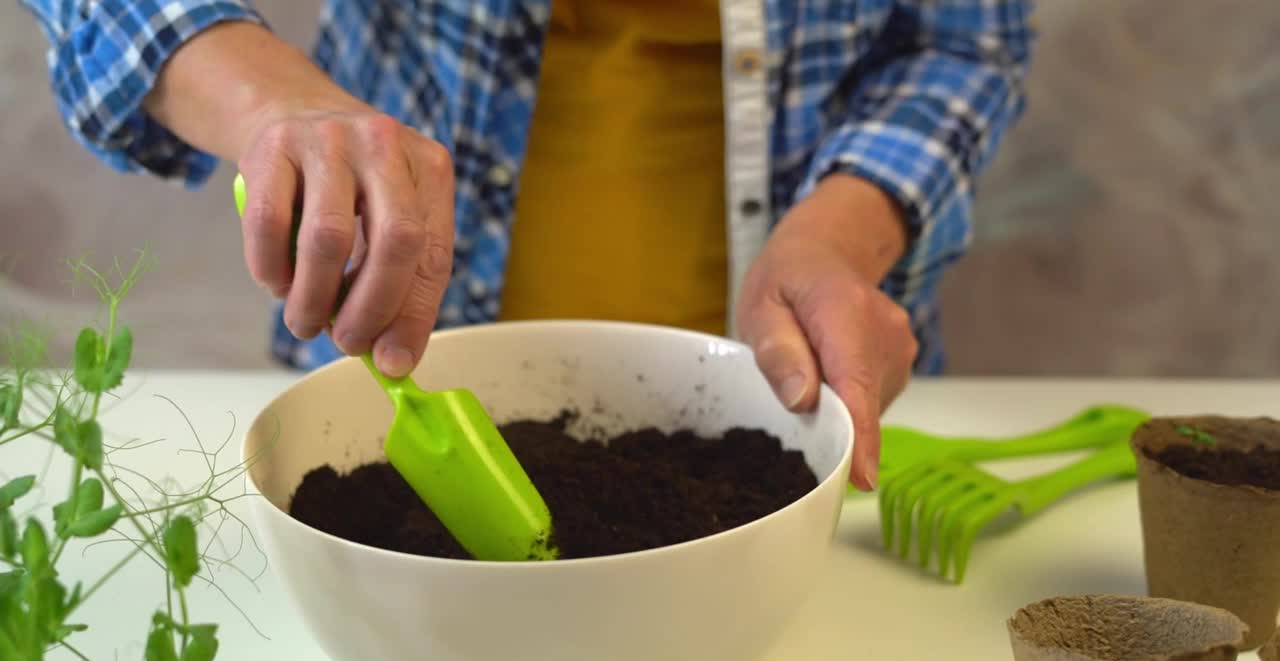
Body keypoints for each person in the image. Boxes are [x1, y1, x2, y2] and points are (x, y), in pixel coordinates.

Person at [21, 0, 1034, 492]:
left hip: (788, 387)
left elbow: (961, 40)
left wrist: (836, 236)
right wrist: (269, 102)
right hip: (387, 338)